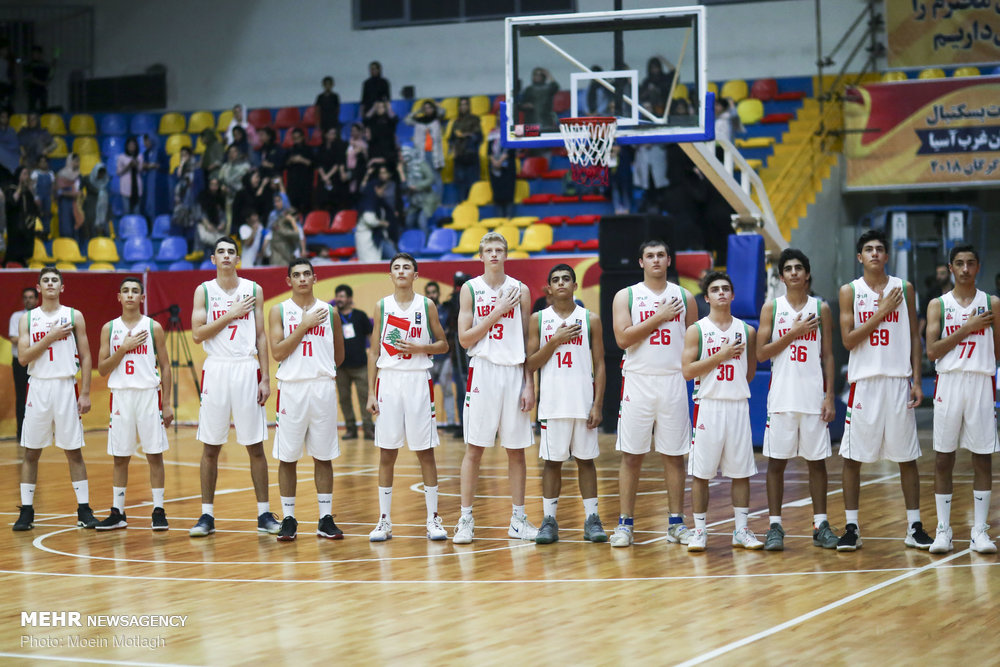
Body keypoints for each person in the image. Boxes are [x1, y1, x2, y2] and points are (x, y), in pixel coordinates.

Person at [837, 229, 931, 551]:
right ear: (860, 257)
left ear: (887, 256)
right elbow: (848, 340)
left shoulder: (904, 288)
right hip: (864, 384)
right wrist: (881, 312)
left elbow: (914, 341)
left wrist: (917, 380)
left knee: (908, 458)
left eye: (880, 249)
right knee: (852, 458)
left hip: (897, 382)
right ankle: (851, 527)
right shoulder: (849, 291)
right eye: (868, 249)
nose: (875, 253)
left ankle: (914, 525)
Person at [609, 240, 697, 548]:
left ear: (669, 260)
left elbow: (693, 344)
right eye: (650, 256)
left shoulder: (685, 297)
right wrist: (659, 317)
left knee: (674, 455)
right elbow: (622, 338)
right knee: (632, 455)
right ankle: (625, 524)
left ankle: (676, 523)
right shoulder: (627, 295)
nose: (656, 260)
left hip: (673, 380)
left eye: (661, 255)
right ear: (641, 261)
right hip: (638, 380)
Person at [188, 237, 278, 538]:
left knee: (255, 445)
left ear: (237, 259)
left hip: (246, 367)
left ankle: (264, 513)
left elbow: (262, 336)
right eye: (221, 252)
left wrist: (265, 377)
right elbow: (198, 334)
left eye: (231, 252)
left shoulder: (253, 289)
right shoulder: (204, 291)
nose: (226, 256)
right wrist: (231, 314)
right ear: (213, 259)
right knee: (211, 445)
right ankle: (206, 515)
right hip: (216, 369)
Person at [453, 231, 537, 544]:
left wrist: (529, 383)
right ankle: (465, 519)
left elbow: (528, 341)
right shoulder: (470, 289)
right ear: (480, 255)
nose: (493, 255)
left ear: (505, 254)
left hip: (514, 373)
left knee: (517, 451)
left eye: (499, 250)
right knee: (474, 448)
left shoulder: (521, 290)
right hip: (483, 371)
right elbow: (464, 339)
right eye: (488, 250)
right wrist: (497, 311)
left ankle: (518, 519)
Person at [756, 249, 839, 551]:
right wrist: (793, 333)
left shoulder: (822, 308)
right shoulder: (771, 308)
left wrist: (829, 396)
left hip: (813, 397)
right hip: (781, 397)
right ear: (781, 277)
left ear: (807, 275)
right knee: (776, 464)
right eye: (788, 268)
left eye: (799, 268)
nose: (793, 272)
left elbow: (828, 355)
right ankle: (775, 526)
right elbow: (761, 353)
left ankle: (821, 524)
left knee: (817, 463)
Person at [366, 253, 450, 541]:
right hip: (388, 381)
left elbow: (444, 345)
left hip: (417, 380)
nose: (401, 271)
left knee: (424, 452)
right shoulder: (382, 306)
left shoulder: (426, 305)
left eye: (407, 268)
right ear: (390, 275)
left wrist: (418, 348)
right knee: (387, 452)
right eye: (396, 268)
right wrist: (370, 391)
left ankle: (433, 519)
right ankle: (384, 520)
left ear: (416, 275)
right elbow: (374, 351)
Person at [925, 244, 999, 554]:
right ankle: (944, 529)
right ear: (951, 268)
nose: (965, 268)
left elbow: (998, 352)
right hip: (950, 381)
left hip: (981, 381)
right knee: (944, 458)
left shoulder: (992, 303)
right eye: (959, 263)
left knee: (982, 457)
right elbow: (932, 351)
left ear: (978, 267)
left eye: (970, 263)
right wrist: (967, 328)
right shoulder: (938, 305)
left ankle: (979, 530)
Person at [526, 264, 607, 544]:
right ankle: (549, 520)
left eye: (566, 279)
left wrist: (598, 404)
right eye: (555, 280)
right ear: (548, 288)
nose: (561, 283)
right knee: (552, 463)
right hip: (553, 403)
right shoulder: (538, 319)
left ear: (575, 286)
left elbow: (600, 364)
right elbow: (530, 363)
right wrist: (555, 341)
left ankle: (592, 519)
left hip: (583, 403)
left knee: (587, 461)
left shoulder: (590, 319)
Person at [682, 271, 761, 551]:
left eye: (726, 288)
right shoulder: (697, 330)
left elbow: (749, 372)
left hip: (737, 404)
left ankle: (741, 529)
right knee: (701, 473)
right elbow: (687, 370)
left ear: (733, 295)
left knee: (741, 472)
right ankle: (700, 531)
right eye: (715, 289)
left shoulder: (747, 331)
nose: (721, 293)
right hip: (708, 405)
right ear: (707, 297)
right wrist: (720, 356)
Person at [13, 267, 97, 531]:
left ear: (62, 287)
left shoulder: (74, 315)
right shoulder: (28, 319)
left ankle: (84, 510)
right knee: (31, 451)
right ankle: (27, 511)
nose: (50, 284)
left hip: (65, 387)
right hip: (38, 387)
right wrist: (50, 337)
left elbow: (85, 356)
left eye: (55, 280)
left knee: (74, 451)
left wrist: (85, 392)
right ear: (38, 288)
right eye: (45, 280)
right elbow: (23, 358)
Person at [268, 259, 346, 542]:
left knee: (323, 455)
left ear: (315, 278)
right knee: (287, 457)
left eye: (306, 274)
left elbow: (339, 356)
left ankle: (325, 518)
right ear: (288, 280)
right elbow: (277, 353)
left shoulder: (330, 312)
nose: (302, 279)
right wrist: (303, 326)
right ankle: (289, 518)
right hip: (292, 389)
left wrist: (320, 369)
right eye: (296, 275)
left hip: (322, 387)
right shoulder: (278, 311)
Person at [94, 278, 173, 531]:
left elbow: (166, 366)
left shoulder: (153, 327)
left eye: (135, 291)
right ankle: (118, 512)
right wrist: (123, 349)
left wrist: (168, 403)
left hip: (149, 394)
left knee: (154, 454)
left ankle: (158, 509)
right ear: (119, 297)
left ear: (142, 298)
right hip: (121, 395)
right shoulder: (109, 328)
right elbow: (103, 369)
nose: (130, 295)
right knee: (120, 456)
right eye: (126, 291)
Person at [333, 284, 375, 440]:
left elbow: (371, 336)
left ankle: (368, 428)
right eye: (337, 296)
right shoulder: (334, 317)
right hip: (340, 366)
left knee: (364, 397)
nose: (339, 299)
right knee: (344, 399)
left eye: (342, 296)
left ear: (350, 299)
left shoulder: (360, 315)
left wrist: (374, 356)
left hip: (361, 365)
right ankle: (350, 429)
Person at [425, 281, 457, 430]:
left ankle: (450, 422)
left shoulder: (446, 310)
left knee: (448, 390)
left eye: (434, 292)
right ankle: (425, 423)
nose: (432, 295)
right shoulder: (422, 312)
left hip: (445, 357)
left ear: (438, 293)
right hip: (427, 358)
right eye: (429, 292)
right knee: (424, 393)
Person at [7, 287, 38, 441]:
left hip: (38, 361)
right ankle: (21, 433)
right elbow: (13, 338)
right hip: (20, 362)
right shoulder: (16, 317)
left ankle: (35, 433)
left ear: (37, 299)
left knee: (37, 396)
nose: (28, 300)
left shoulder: (41, 317)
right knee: (22, 396)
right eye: (25, 297)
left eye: (31, 297)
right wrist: (36, 342)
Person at [449, 97, 483, 202]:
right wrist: (454, 149)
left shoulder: (475, 119)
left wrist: (467, 135)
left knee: (473, 183)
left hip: (471, 154)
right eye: (461, 105)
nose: (463, 107)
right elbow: (451, 138)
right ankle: (462, 206)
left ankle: (472, 204)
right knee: (461, 184)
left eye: (465, 105)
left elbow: (479, 137)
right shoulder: (456, 122)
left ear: (469, 106)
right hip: (459, 155)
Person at [4, 167, 39, 267]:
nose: (26, 177)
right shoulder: (11, 188)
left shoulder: (28, 192)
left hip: (26, 228)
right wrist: (20, 187)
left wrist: (31, 190)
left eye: (27, 174)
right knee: (13, 252)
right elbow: (12, 202)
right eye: (24, 174)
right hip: (15, 226)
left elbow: (34, 209)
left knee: (24, 254)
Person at [486, 126, 516, 218]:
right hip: (494, 169)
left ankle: (508, 219)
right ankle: (499, 221)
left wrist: (501, 160)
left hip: (508, 169)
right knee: (497, 195)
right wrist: (494, 161)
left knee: (508, 195)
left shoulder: (511, 131)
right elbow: (489, 151)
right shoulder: (492, 133)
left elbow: (511, 149)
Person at [284, 128, 314, 214]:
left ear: (302, 137)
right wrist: (291, 160)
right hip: (293, 181)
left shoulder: (308, 149)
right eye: (294, 138)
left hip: (305, 181)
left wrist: (301, 160)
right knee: (293, 205)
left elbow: (313, 164)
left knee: (306, 204)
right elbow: (284, 165)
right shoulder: (290, 150)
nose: (296, 140)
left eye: (298, 138)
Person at [55, 152, 82, 241]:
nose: (77, 163)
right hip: (65, 203)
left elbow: (78, 188)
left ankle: (75, 249)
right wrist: (70, 194)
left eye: (78, 161)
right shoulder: (62, 174)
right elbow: (58, 192)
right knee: (66, 226)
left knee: (75, 225)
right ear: (70, 161)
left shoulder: (78, 174)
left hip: (75, 203)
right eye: (75, 161)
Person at [116, 137, 144, 216]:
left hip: (137, 188)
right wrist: (128, 166)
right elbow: (118, 172)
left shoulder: (139, 156)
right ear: (126, 146)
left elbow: (141, 170)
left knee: (137, 212)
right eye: (130, 145)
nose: (131, 147)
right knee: (127, 212)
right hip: (126, 189)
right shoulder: (121, 157)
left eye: (133, 145)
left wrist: (137, 164)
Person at [141, 134, 164, 221]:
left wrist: (156, 166)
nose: (146, 143)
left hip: (158, 183)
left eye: (147, 140)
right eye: (144, 141)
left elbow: (166, 166)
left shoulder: (160, 152)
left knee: (157, 205)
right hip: (148, 183)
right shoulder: (145, 153)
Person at [25, 45, 54, 113]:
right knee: (32, 107)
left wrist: (53, 67)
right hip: (33, 89)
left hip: (42, 89)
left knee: (44, 107)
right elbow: (30, 77)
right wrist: (42, 83)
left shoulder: (45, 65)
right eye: (33, 53)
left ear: (40, 54)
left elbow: (50, 75)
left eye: (37, 53)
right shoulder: (30, 64)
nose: (35, 55)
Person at [31, 154, 55, 235]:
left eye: (45, 162)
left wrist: (52, 197)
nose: (43, 164)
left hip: (47, 197)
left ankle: (46, 232)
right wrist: (35, 197)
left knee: (47, 214)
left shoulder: (51, 174)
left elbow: (52, 187)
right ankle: (37, 231)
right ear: (38, 163)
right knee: (38, 214)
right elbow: (32, 187)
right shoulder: (35, 173)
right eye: (41, 162)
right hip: (38, 197)